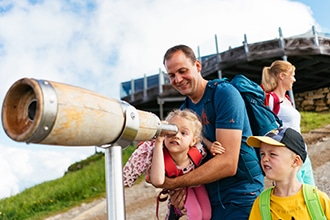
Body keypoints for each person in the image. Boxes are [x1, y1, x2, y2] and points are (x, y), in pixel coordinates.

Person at [156, 45, 264, 219]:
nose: (178, 79)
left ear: (198, 66)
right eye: (172, 75)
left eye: (183, 71)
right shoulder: (184, 111)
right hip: (208, 198)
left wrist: (174, 182)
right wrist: (178, 192)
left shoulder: (225, 94)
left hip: (241, 195)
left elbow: (228, 163)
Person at [149, 109, 225, 220]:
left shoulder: (197, 151)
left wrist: (211, 146)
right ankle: (175, 210)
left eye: (183, 133)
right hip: (180, 186)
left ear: (193, 141)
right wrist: (159, 141)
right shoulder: (160, 156)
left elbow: (202, 142)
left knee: (207, 214)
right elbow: (157, 181)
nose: (176, 136)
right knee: (196, 214)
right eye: (171, 131)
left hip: (194, 182)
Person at [247, 127, 330, 219]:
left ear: (295, 161)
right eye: (262, 154)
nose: (265, 159)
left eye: (272, 154)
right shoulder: (261, 204)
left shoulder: (319, 200)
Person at [262, 60, 315, 185]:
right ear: (282, 76)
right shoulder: (271, 99)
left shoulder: (287, 99)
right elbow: (267, 129)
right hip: (287, 158)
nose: (294, 79)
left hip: (302, 153)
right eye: (292, 75)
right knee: (295, 197)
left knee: (312, 193)